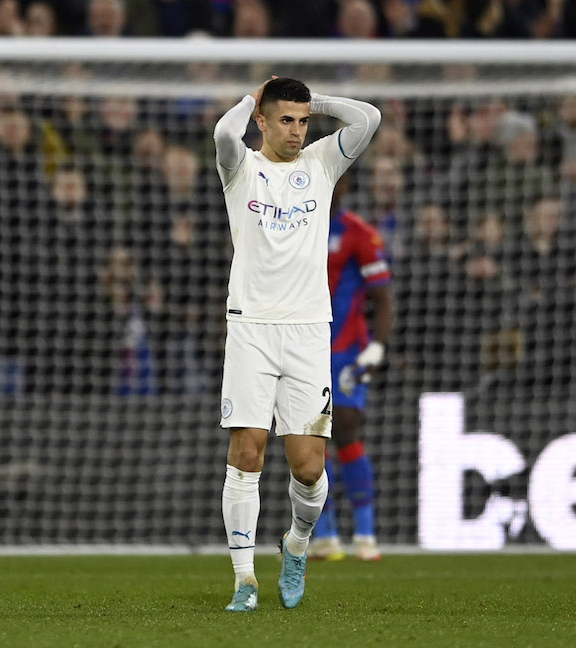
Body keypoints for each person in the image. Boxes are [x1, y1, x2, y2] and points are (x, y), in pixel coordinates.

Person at [214, 77, 380, 611]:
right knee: (246, 454)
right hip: (251, 328)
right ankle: (244, 579)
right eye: (285, 119)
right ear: (261, 120)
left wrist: (320, 103)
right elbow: (222, 131)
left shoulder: (321, 164)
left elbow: (369, 118)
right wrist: (249, 98)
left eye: (303, 121)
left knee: (309, 468)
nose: (296, 130)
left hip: (309, 332)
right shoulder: (240, 167)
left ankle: (297, 544)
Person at [305, 199, 393, 563]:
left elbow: (384, 299)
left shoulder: (359, 233)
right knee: (308, 438)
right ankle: (323, 536)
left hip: (344, 351)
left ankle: (365, 533)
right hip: (302, 347)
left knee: (345, 431)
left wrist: (377, 348)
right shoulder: (294, 223)